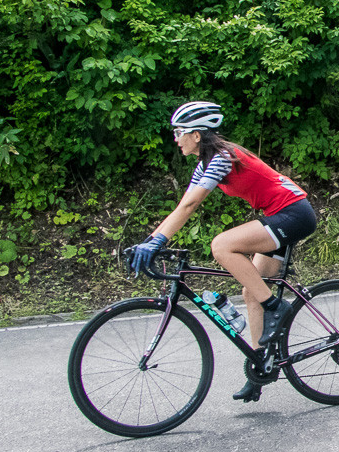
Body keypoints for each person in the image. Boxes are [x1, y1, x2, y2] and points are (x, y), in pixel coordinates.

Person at [130, 101, 317, 402]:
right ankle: (261, 367)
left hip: (293, 214)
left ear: (196, 135)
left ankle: (276, 308)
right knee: (251, 291)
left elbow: (192, 206)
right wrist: (152, 239)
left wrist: (156, 243)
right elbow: (184, 205)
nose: (176, 138)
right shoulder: (206, 163)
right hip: (281, 214)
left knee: (222, 245)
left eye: (180, 132)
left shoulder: (221, 157)